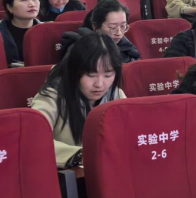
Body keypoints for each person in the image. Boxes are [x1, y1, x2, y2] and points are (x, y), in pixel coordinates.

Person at [31, 33, 125, 168]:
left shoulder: (116, 95)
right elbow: (34, 139)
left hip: (111, 170)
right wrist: (80, 155)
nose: (99, 84)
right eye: (91, 75)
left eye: (108, 75)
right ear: (75, 71)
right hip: (69, 174)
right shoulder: (53, 96)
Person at [61, 0, 140, 63]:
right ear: (96, 27)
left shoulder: (128, 48)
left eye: (123, 26)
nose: (119, 33)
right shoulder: (80, 49)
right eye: (113, 27)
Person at [0, 0, 41, 67]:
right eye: (24, 0)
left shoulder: (48, 30)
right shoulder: (1, 31)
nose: (32, 4)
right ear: (9, 7)